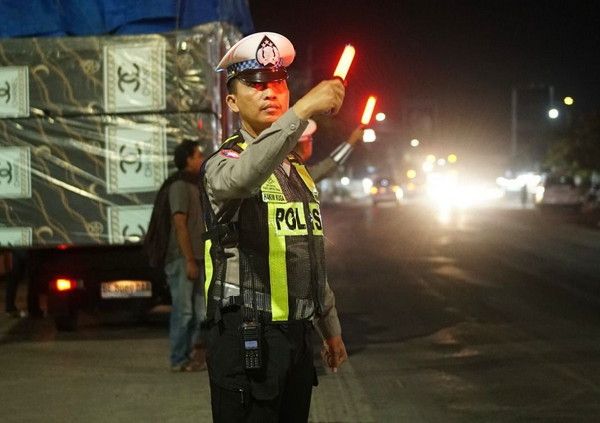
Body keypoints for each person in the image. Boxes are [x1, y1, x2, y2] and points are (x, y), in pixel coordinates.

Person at [200, 31, 348, 422]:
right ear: (232, 101)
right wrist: (302, 111)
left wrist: (329, 327)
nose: (270, 92)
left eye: (277, 83)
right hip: (246, 337)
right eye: (255, 84)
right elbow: (243, 178)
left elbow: (308, 256)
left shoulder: (297, 171)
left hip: (295, 337)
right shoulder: (224, 162)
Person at [146, 140, 207, 372]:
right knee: (184, 311)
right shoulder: (180, 186)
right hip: (183, 259)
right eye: (198, 155)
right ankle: (178, 359)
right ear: (188, 159)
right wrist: (189, 260)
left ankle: (191, 355)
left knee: (200, 312)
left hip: (198, 258)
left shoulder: (196, 184)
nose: (201, 159)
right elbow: (180, 224)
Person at [293, 118, 364, 183]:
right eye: (310, 140)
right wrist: (351, 141)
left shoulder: (289, 170)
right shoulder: (297, 174)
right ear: (305, 146)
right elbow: (329, 165)